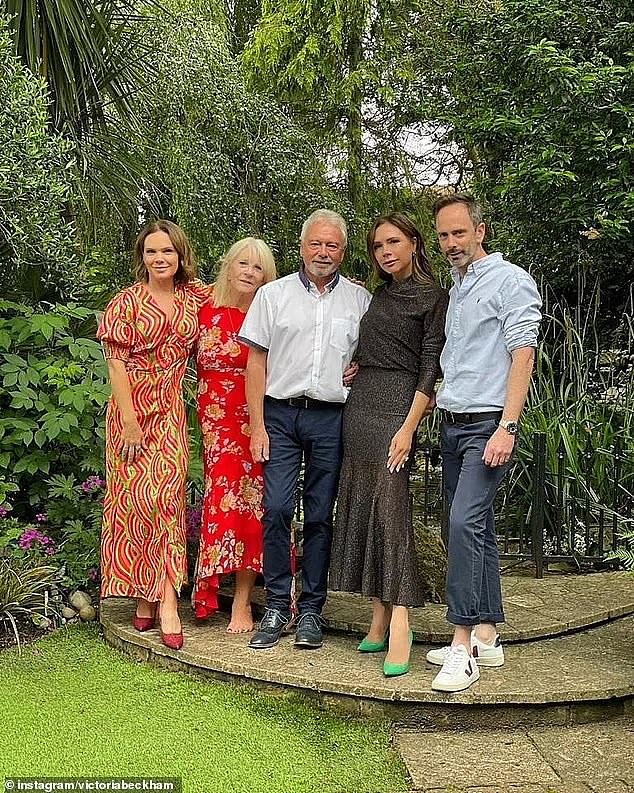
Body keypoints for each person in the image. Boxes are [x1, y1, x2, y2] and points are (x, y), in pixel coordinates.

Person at [239, 209, 372, 650]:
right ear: (301, 246)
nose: (323, 252)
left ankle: (313, 609)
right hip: (279, 413)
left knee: (319, 515)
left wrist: (360, 367)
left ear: (343, 251)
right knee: (276, 509)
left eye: (332, 245)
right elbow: (254, 364)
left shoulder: (359, 299)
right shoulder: (272, 296)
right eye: (316, 243)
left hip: (331, 418)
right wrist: (257, 425)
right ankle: (277, 605)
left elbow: (372, 356)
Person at [426, 194, 542, 692]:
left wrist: (508, 426)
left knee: (461, 522)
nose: (451, 243)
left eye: (459, 233)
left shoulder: (510, 280)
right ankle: (489, 635)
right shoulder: (456, 288)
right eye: (444, 235)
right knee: (479, 527)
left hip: (488, 424)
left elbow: (523, 354)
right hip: (453, 422)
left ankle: (461, 644)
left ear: (480, 231)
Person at [329, 213, 448, 677]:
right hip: (360, 407)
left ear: (415, 243)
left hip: (399, 407)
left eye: (394, 242)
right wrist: (358, 362)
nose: (385, 252)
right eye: (378, 246)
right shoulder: (379, 294)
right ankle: (378, 614)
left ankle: (401, 619)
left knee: (392, 511)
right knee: (366, 506)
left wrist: (408, 427)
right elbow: (375, 341)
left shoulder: (435, 297)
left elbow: (428, 366)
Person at [98, 219, 211, 651]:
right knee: (135, 503)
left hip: (170, 412)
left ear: (180, 256)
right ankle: (144, 597)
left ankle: (165, 601)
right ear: (141, 257)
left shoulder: (194, 296)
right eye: (151, 252)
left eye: (167, 251)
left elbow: (239, 296)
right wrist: (128, 419)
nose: (159, 259)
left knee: (165, 500)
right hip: (131, 410)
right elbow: (116, 364)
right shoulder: (126, 302)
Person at [192, 237, 277, 632]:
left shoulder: (271, 313)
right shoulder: (202, 307)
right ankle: (211, 587)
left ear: (266, 277)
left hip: (255, 420)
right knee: (220, 504)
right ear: (228, 266)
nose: (248, 272)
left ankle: (242, 600)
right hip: (215, 422)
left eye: (257, 267)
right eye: (242, 263)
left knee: (252, 506)